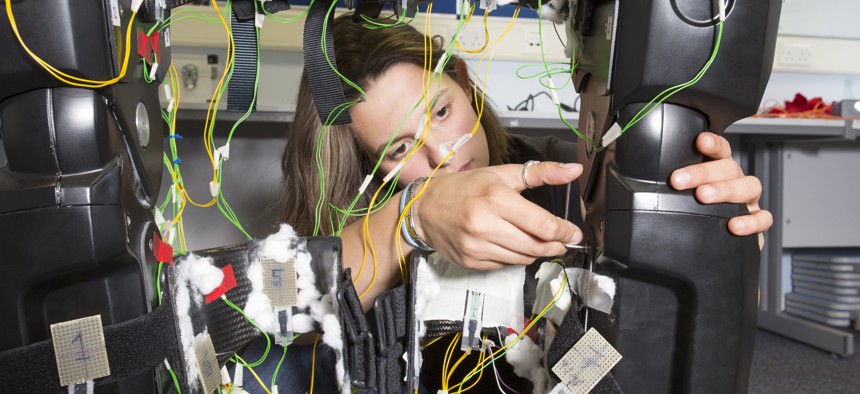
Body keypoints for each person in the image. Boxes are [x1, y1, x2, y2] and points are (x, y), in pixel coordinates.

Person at [238, 12, 772, 393]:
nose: (442, 155)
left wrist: (703, 241)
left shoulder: (568, 177)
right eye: (401, 149)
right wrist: (410, 221)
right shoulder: (356, 222)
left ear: (465, 86)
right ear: (367, 169)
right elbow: (260, 310)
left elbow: (616, 360)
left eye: (441, 112)